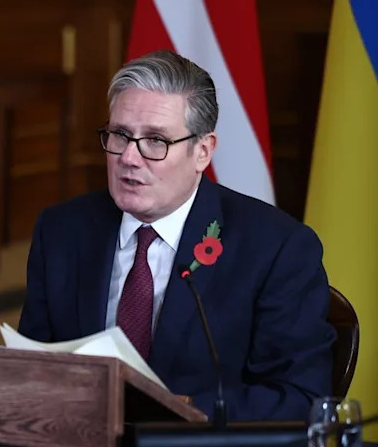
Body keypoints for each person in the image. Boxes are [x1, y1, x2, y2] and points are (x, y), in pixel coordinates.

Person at [18, 49, 334, 422]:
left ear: (202, 151)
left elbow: (300, 398)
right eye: (120, 135)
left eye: (156, 141)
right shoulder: (61, 231)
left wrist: (179, 411)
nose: (129, 158)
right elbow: (31, 366)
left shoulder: (276, 248)